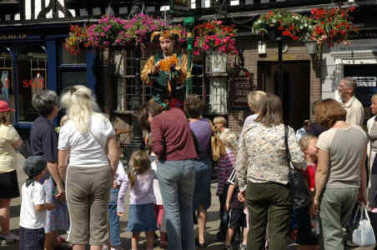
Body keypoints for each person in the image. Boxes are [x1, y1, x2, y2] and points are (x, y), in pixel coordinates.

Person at [236, 93, 306, 250]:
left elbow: (240, 162)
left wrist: (242, 186)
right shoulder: (286, 131)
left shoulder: (249, 131)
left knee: (255, 230)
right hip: (280, 186)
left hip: (255, 185)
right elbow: (298, 160)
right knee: (278, 232)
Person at [58, 85, 120, 250]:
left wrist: (65, 181)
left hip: (76, 174)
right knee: (98, 231)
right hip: (101, 172)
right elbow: (114, 154)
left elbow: (62, 163)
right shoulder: (103, 120)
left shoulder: (67, 126)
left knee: (78, 232)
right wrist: (111, 174)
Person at [312, 99, 367, 250]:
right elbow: (362, 167)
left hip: (332, 189)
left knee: (331, 235)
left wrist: (316, 196)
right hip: (352, 188)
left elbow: (322, 170)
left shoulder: (326, 137)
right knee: (341, 231)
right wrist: (363, 192)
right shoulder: (361, 133)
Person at [148, 98, 198, 250]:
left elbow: (157, 148)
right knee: (187, 209)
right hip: (188, 163)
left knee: (171, 210)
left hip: (169, 164)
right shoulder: (179, 113)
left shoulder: (157, 120)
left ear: (152, 111)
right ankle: (189, 246)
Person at [30, 90, 69, 250]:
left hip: (39, 176)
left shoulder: (37, 123)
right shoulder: (48, 129)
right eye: (56, 103)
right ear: (52, 107)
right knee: (50, 217)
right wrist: (60, 185)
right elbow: (51, 162)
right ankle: (48, 247)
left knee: (47, 216)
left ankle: (52, 244)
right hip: (47, 178)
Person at [184, 94, 212, 248]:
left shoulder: (186, 125)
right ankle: (201, 238)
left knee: (188, 204)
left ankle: (188, 237)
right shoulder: (208, 124)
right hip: (205, 164)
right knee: (202, 204)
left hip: (190, 164)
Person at [117, 150, 156, 250]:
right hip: (149, 205)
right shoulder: (151, 173)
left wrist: (120, 207)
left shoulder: (130, 174)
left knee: (135, 234)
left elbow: (121, 193)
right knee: (150, 233)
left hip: (135, 206)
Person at [141, 29, 187, 108]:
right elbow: (143, 76)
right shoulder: (154, 59)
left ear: (173, 42)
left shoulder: (181, 58)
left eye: (167, 42)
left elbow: (186, 77)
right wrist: (152, 71)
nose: (165, 46)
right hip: (158, 100)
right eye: (162, 43)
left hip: (177, 99)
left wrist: (178, 70)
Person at [19, 156, 55, 250]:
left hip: (24, 225)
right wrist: (48, 205)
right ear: (42, 171)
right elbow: (38, 207)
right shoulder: (38, 187)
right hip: (35, 227)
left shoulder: (25, 185)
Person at [0, 100, 22, 242]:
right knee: (4, 204)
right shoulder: (8, 130)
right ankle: (6, 233)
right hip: (6, 169)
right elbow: (19, 145)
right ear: (5, 114)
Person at [216, 129, 237, 242]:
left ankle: (224, 233)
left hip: (225, 187)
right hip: (235, 186)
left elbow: (221, 175)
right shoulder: (236, 153)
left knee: (224, 211)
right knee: (234, 210)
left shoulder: (224, 156)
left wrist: (219, 190)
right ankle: (234, 233)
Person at [104, 161, 126, 250]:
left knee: (101, 220)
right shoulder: (116, 161)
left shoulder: (97, 157)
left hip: (99, 190)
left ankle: (104, 244)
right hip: (112, 190)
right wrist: (117, 181)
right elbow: (123, 176)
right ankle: (114, 245)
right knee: (114, 221)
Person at [225, 169, 249, 250]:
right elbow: (231, 186)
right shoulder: (237, 169)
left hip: (248, 204)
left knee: (246, 225)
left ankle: (244, 243)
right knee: (233, 224)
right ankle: (227, 243)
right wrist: (227, 202)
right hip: (236, 204)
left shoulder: (253, 168)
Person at [365, 94, 377, 240]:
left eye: (374, 104)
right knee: (372, 188)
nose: (371, 106)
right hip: (372, 157)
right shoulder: (370, 122)